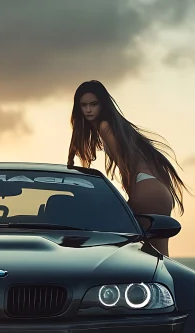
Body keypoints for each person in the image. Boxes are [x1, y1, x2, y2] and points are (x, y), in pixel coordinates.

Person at [66, 80, 188, 256]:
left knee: (132, 252)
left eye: (94, 104)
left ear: (103, 104)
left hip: (144, 190)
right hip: (158, 191)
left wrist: (130, 198)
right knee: (159, 257)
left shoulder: (105, 126)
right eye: (83, 105)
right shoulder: (115, 126)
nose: (88, 110)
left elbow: (125, 165)